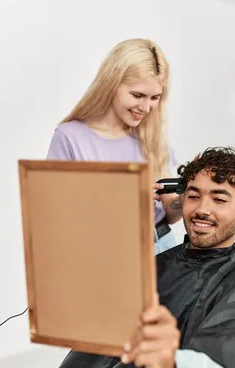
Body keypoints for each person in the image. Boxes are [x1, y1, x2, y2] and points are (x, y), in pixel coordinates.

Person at [35, 147, 235, 368]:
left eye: (219, 199)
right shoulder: (157, 265)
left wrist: (169, 367)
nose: (202, 209)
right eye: (193, 196)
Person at [46, 38, 181, 254]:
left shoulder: (152, 136)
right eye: (137, 95)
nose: (146, 107)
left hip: (163, 245)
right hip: (105, 252)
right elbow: (56, 218)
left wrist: (188, 195)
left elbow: (170, 213)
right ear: (111, 84)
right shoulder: (70, 137)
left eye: (155, 97)